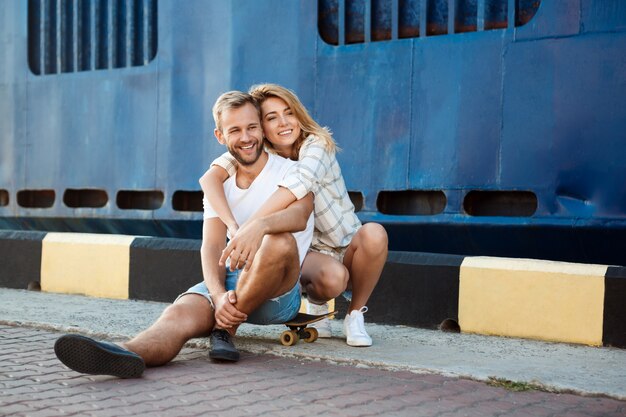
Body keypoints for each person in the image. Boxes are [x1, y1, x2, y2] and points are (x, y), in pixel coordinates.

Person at [53, 91, 315, 378]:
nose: (246, 137)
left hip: (277, 295)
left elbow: (300, 216)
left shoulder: (293, 171)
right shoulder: (220, 185)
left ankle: (225, 329)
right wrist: (217, 294)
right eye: (235, 130)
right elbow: (213, 246)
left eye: (252, 127)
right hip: (229, 283)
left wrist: (260, 226)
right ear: (219, 136)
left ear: (261, 129)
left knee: (278, 241)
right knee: (177, 316)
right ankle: (124, 353)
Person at [199, 83, 388, 347]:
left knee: (375, 234)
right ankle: (317, 305)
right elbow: (211, 177)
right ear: (261, 127)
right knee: (331, 279)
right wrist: (234, 225)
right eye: (271, 117)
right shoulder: (260, 151)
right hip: (307, 252)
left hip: (343, 244)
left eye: (289, 113)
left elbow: (296, 185)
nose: (284, 122)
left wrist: (248, 229)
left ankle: (355, 315)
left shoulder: (316, 146)